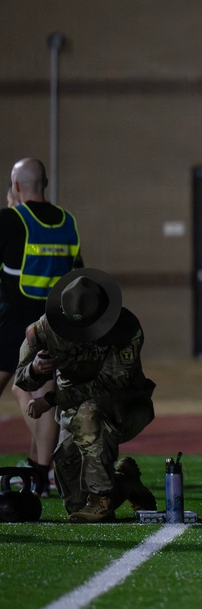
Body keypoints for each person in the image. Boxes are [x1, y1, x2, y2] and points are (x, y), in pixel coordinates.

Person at [14, 267, 157, 523]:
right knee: (75, 503)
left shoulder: (125, 331)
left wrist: (50, 400)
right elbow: (21, 379)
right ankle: (124, 483)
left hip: (126, 405)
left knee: (88, 415)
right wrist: (36, 369)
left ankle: (101, 500)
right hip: (73, 409)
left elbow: (109, 385)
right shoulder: (44, 330)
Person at [1, 159, 82, 496]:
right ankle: (39, 474)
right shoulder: (68, 222)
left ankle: (38, 473)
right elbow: (79, 273)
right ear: (44, 183)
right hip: (54, 322)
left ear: (16, 186)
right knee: (37, 393)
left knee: (23, 389)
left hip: (15, 319)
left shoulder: (10, 219)